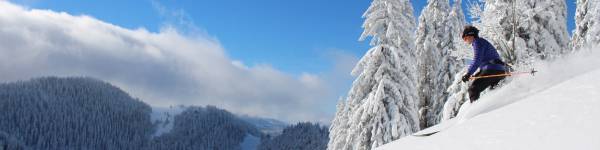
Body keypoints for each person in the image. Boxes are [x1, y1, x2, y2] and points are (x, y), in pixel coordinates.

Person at [460, 25, 506, 103]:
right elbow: (483, 62)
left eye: (465, 38)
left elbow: (477, 60)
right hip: (497, 70)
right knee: (494, 90)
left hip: (492, 69)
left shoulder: (477, 42)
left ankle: (475, 112)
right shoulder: (481, 42)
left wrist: (468, 73)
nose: (465, 41)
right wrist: (476, 74)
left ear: (471, 35)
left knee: (473, 89)